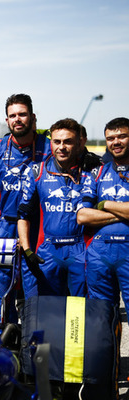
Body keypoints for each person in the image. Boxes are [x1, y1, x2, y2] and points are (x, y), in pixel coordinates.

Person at [0, 94, 50, 325]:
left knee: (35, 289)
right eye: (12, 116)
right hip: (6, 226)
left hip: (39, 227)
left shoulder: (50, 148)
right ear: (6, 120)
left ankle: (36, 341)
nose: (17, 119)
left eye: (22, 114)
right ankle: (2, 339)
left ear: (33, 117)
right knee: (2, 288)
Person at [17, 118, 91, 297]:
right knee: (51, 311)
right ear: (51, 142)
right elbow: (23, 216)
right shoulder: (37, 171)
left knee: (78, 312)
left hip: (81, 250)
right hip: (49, 250)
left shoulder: (92, 170)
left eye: (68, 141)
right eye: (57, 141)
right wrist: (27, 250)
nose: (61, 147)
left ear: (79, 143)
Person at [77, 117, 129, 310]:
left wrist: (104, 203)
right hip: (100, 254)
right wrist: (122, 211)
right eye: (110, 138)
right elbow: (83, 216)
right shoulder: (96, 173)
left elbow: (94, 211)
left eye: (122, 136)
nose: (115, 142)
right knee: (102, 321)